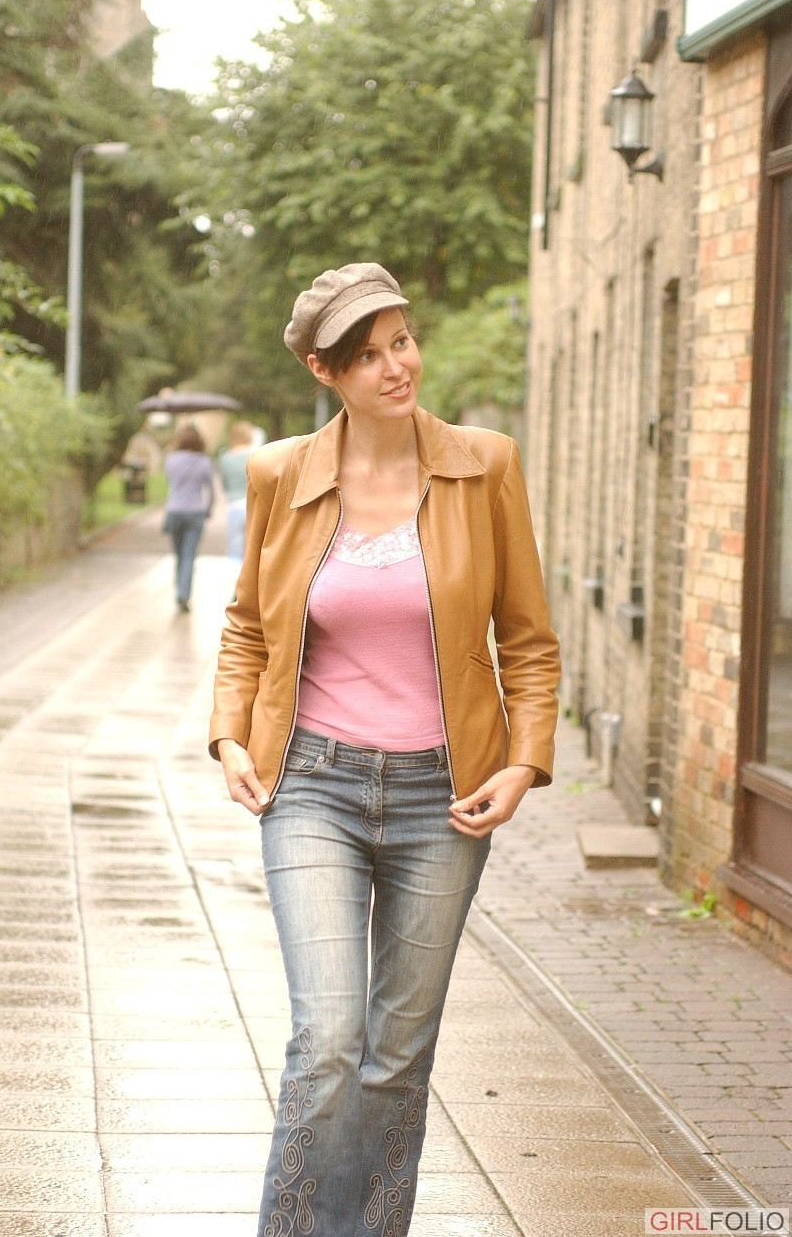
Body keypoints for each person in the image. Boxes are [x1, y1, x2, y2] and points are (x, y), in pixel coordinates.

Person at [209, 263, 560, 1237]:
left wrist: (523, 760)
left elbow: (527, 637)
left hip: (442, 797)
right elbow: (247, 623)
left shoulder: (484, 465)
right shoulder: (281, 474)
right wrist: (230, 732)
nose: (396, 366)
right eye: (367, 355)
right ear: (324, 371)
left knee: (397, 1057)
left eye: (401, 340)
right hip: (312, 783)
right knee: (327, 1038)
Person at [163, 423, 214, 612]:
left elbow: (169, 482)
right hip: (195, 512)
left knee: (178, 555)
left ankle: (180, 590)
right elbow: (211, 490)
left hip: (174, 511)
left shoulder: (171, 460)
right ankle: (184, 594)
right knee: (189, 555)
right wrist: (208, 509)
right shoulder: (204, 462)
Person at [217, 420, 267, 571]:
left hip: (234, 505)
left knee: (235, 548)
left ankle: (236, 580)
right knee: (254, 548)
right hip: (254, 506)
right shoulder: (256, 456)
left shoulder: (225, 458)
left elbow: (225, 484)